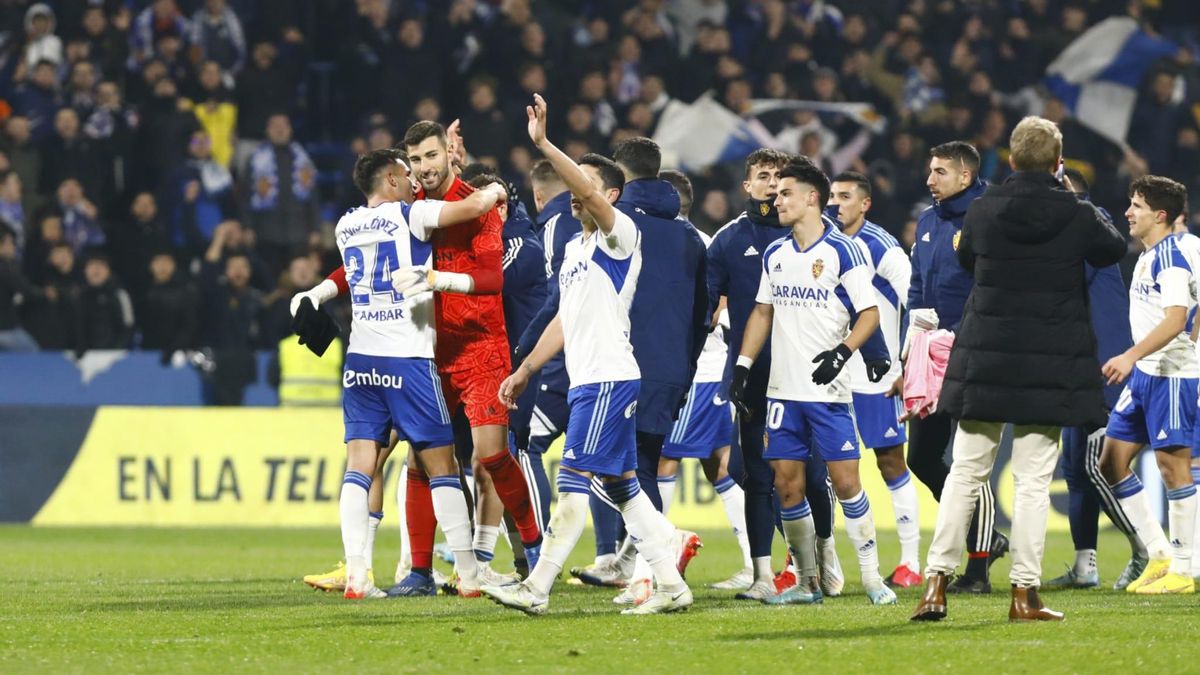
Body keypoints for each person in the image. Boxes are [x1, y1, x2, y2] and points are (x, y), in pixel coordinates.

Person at [483, 93, 691, 615]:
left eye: (588, 186)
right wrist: (526, 368)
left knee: (572, 479)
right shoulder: (576, 251)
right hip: (588, 380)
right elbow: (562, 319)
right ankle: (672, 586)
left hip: (608, 379)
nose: (578, 196)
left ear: (609, 195)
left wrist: (546, 145)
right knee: (624, 487)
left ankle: (536, 587)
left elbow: (589, 195)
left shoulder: (622, 237)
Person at [912, 117, 1126, 623]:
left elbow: (967, 264)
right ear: (1058, 163)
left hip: (986, 353)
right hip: (1049, 359)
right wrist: (1075, 200)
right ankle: (1023, 595)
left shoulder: (984, 210)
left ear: (1009, 160)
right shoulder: (1076, 213)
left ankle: (934, 588)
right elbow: (1113, 246)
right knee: (1031, 481)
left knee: (965, 470)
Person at [331, 147, 507, 599]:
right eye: (408, 173)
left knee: (360, 466)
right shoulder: (411, 215)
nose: (415, 181)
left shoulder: (345, 224)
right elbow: (472, 207)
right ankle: (469, 574)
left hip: (360, 360)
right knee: (441, 466)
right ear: (391, 179)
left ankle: (357, 575)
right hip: (408, 358)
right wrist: (495, 189)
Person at [730, 160, 897, 607]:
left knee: (846, 485)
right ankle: (807, 582)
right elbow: (762, 311)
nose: (775, 199)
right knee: (787, 486)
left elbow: (869, 313)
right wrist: (744, 366)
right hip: (783, 393)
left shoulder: (844, 251)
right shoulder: (776, 254)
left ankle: (872, 577)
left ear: (811, 198)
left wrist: (843, 353)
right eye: (775, 192)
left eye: (785, 193)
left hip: (828, 395)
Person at [706, 148, 845, 600]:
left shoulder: (818, 239)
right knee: (756, 474)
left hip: (808, 376)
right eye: (762, 177)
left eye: (779, 178)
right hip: (757, 376)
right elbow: (708, 308)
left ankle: (826, 555)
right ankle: (763, 575)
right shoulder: (728, 241)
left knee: (811, 472)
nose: (771, 185)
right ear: (747, 186)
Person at [903, 140, 1005, 593]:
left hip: (976, 353)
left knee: (967, 461)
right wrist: (915, 333)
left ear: (966, 176)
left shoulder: (989, 217)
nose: (930, 180)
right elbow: (917, 288)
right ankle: (983, 534)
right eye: (930, 171)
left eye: (940, 172)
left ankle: (978, 569)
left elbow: (994, 288)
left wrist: (965, 334)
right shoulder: (927, 221)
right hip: (930, 356)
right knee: (922, 458)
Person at [1097, 175, 1198, 596]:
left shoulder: (1170, 257)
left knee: (1173, 469)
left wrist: (1129, 355)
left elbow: (1176, 318)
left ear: (1159, 215)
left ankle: (1186, 568)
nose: (1127, 212)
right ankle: (1158, 553)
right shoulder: (1150, 254)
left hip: (1171, 376)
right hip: (1146, 376)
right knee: (1110, 462)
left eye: (1136, 205)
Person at [655, 169, 755, 591]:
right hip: (698, 372)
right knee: (720, 468)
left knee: (662, 461)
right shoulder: (684, 242)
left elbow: (716, 308)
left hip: (700, 373)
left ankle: (656, 561)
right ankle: (756, 563)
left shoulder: (697, 245)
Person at [1043, 170, 1139, 590]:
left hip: (1106, 366)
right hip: (1076, 366)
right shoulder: (1070, 229)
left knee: (1103, 466)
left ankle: (1150, 550)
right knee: (1077, 468)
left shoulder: (1091, 223)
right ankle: (1086, 565)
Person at [827, 170, 920, 588]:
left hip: (876, 376)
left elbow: (917, 303)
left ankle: (910, 563)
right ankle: (815, 565)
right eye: (831, 195)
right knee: (825, 468)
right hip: (830, 374)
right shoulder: (821, 243)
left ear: (865, 204)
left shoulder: (882, 248)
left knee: (890, 462)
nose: (836, 204)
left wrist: (907, 362)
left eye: (845, 197)